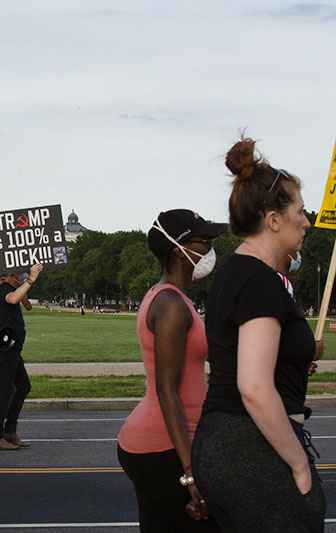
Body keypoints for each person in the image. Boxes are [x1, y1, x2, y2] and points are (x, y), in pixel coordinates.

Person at [191, 137, 326, 531]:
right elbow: (253, 386)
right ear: (273, 220)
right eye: (299, 212)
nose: (306, 221)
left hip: (227, 441)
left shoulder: (236, 273)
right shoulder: (259, 280)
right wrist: (299, 465)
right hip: (249, 446)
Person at [117, 209, 226, 532]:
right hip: (163, 447)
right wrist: (190, 471)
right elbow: (167, 389)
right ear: (179, 249)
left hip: (158, 445)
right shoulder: (170, 305)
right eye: (203, 242)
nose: (210, 250)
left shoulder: (171, 297)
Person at [0, 265, 42, 450]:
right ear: (12, 274)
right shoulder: (4, 288)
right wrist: (31, 279)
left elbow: (22, 302)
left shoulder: (10, 288)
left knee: (23, 386)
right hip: (5, 350)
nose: (24, 275)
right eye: (21, 273)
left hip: (12, 349)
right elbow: (13, 299)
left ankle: (9, 431)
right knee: (4, 392)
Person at [0, 276, 33, 420]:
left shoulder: (18, 288)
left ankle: (6, 425)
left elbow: (27, 306)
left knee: (18, 383)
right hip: (0, 334)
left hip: (12, 336)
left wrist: (18, 291)